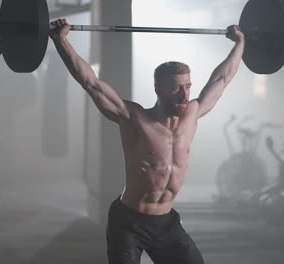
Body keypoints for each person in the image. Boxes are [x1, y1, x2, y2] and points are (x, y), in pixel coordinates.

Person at [50, 18, 245, 264]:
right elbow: (90, 82)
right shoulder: (134, 118)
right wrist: (60, 40)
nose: (185, 95)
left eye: (188, 86)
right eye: (176, 88)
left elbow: (222, 79)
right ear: (158, 89)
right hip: (130, 222)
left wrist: (240, 43)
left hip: (166, 222)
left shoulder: (193, 114)